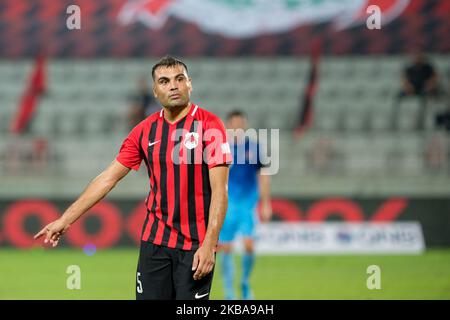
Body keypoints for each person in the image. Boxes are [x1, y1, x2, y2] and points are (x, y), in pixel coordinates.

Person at [34, 56, 232, 300]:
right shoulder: (144, 130)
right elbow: (108, 178)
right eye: (164, 81)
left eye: (179, 79)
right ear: (155, 90)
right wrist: (65, 219)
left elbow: (220, 190)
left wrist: (210, 244)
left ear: (189, 84)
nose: (173, 86)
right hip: (155, 243)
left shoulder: (210, 125)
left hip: (195, 245)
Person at [218, 110, 272, 300]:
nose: (237, 127)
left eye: (240, 123)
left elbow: (263, 175)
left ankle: (245, 282)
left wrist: (266, 203)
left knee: (249, 246)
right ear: (227, 125)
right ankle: (229, 291)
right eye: (233, 123)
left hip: (248, 204)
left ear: (245, 124)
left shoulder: (255, 147)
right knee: (225, 247)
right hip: (227, 204)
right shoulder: (221, 148)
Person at [393, 52, 440, 130]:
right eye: (415, 57)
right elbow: (404, 79)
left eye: (418, 57)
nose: (416, 59)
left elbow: (434, 78)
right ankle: (398, 118)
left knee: (424, 97)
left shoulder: (428, 67)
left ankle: (422, 119)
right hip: (412, 89)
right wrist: (407, 86)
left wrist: (429, 85)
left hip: (424, 89)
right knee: (398, 95)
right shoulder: (409, 68)